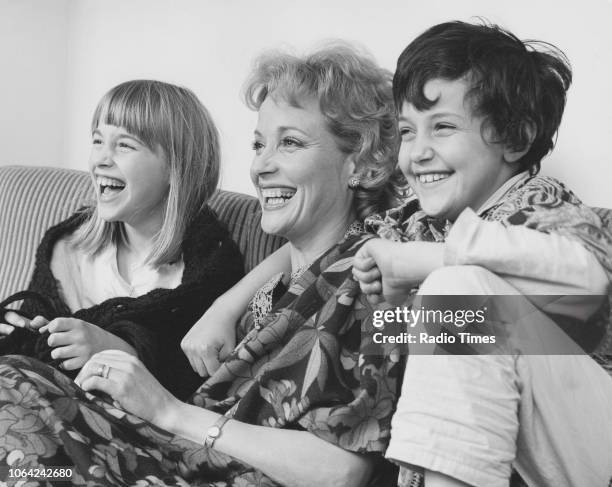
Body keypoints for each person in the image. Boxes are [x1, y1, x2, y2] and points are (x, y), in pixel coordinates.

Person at [0, 45, 403, 486]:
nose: (260, 166)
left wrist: (168, 410)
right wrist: (228, 306)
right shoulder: (279, 285)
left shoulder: (379, 277)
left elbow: (343, 472)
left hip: (187, 466)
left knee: (14, 389)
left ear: (362, 163)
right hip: (160, 456)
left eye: (289, 142)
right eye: (258, 143)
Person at [351, 21, 612, 487]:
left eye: (444, 127)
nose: (418, 152)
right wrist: (384, 296)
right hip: (511, 454)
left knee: (458, 292)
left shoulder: (544, 205)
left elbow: (586, 284)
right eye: (408, 132)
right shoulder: (416, 224)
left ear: (516, 138)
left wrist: (421, 263)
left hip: (588, 439)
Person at [0, 80, 244, 400]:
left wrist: (114, 347)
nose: (100, 159)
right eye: (97, 140)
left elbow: (196, 385)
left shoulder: (210, 270)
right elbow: (29, 350)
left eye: (124, 145)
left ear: (177, 166)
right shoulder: (66, 248)